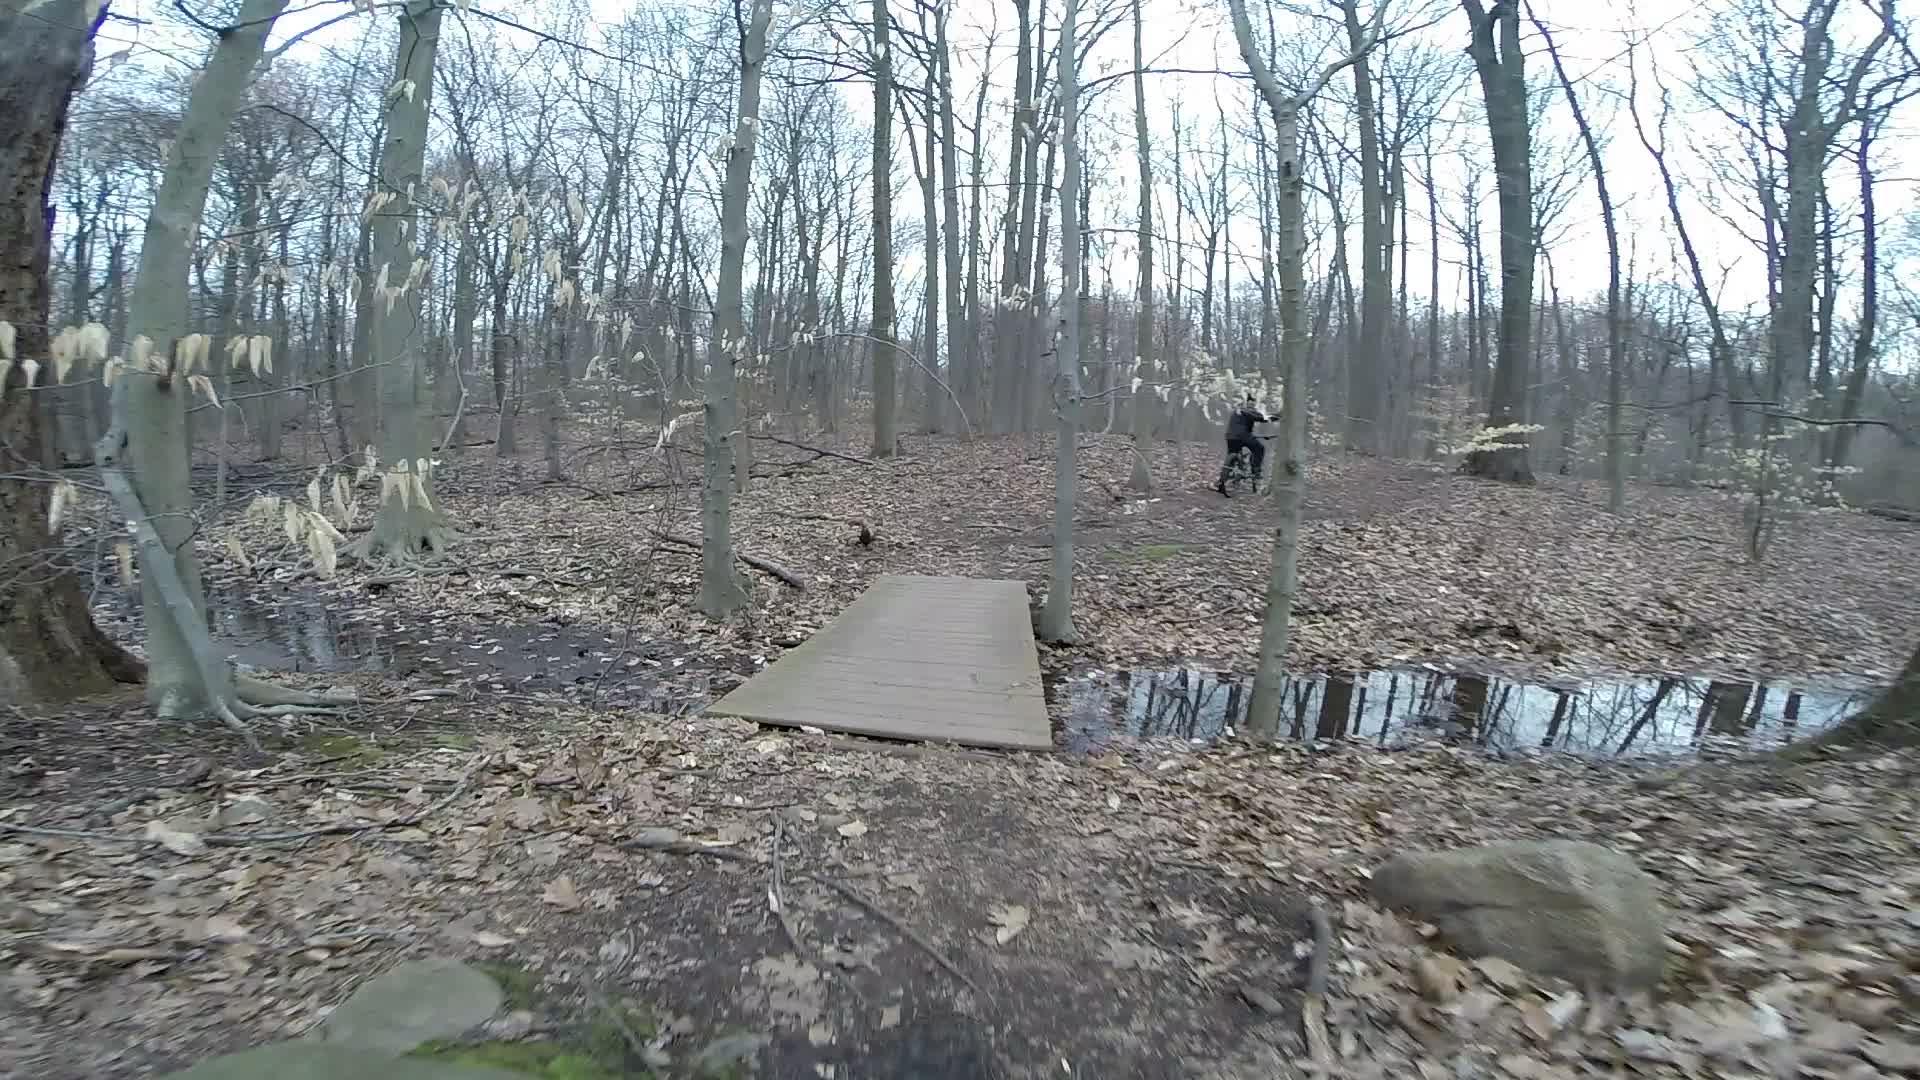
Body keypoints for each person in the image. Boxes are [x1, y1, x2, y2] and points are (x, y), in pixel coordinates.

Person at [1215, 395, 1273, 496]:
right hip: (1243, 436)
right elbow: (1262, 418)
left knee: (1232, 455)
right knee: (1260, 448)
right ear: (1248, 403)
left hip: (1230, 436)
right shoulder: (1248, 410)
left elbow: (1242, 424)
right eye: (1252, 402)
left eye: (1253, 403)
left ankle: (1222, 480)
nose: (1252, 404)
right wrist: (1278, 416)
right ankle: (1256, 472)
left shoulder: (1237, 410)